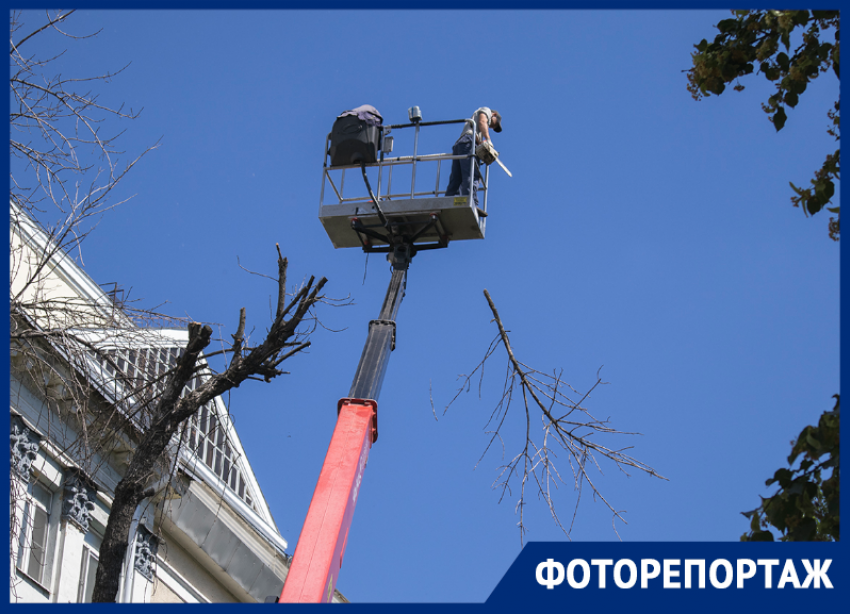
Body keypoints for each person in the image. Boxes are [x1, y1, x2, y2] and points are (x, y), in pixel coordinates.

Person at [445, 107, 502, 217]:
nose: (491, 126)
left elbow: (480, 126)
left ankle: (447, 203)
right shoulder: (486, 110)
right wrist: (488, 140)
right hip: (468, 143)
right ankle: (471, 203)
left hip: (461, 144)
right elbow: (482, 121)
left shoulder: (476, 127)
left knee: (457, 178)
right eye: (494, 124)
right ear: (494, 114)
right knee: (472, 175)